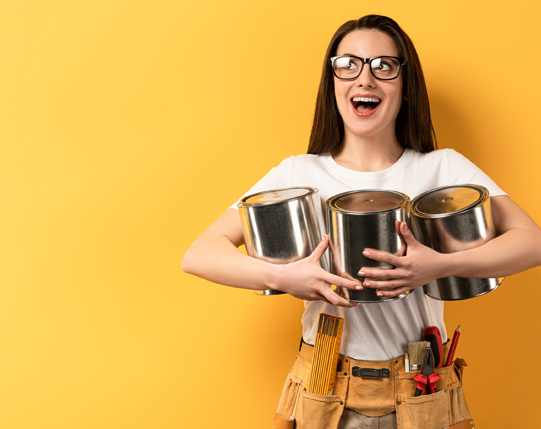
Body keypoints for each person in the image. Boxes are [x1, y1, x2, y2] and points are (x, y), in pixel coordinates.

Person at [181, 15, 541, 429]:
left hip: (419, 391)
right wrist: (286, 277)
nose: (364, 78)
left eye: (383, 66)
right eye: (348, 64)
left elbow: (532, 242)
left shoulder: (443, 168)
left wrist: (439, 267)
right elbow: (200, 254)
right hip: (325, 392)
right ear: (332, 82)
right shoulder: (298, 174)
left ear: (405, 87)